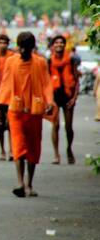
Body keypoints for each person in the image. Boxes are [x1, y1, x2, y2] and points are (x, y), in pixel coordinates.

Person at [0, 32, 53, 198]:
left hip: (34, 111)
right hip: (16, 110)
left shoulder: (40, 63)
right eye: (20, 47)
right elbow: (6, 83)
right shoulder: (11, 62)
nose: (22, 51)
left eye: (26, 48)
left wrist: (49, 102)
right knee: (18, 145)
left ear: (32, 48)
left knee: (33, 147)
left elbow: (46, 83)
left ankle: (29, 184)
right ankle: (20, 182)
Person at [48, 35, 80, 164]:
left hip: (68, 96)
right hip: (55, 96)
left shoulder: (71, 60)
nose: (59, 44)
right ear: (53, 45)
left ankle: (69, 149)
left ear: (64, 45)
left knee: (68, 127)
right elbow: (46, 82)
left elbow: (77, 81)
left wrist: (74, 98)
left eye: (61, 42)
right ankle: (56, 154)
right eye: (56, 43)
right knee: (55, 125)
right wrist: (49, 100)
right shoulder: (49, 61)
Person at [0, 34, 16, 161]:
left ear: (8, 44)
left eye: (5, 43)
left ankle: (12, 150)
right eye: (0, 42)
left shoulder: (12, 57)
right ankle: (2, 150)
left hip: (10, 94)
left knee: (11, 123)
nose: (2, 45)